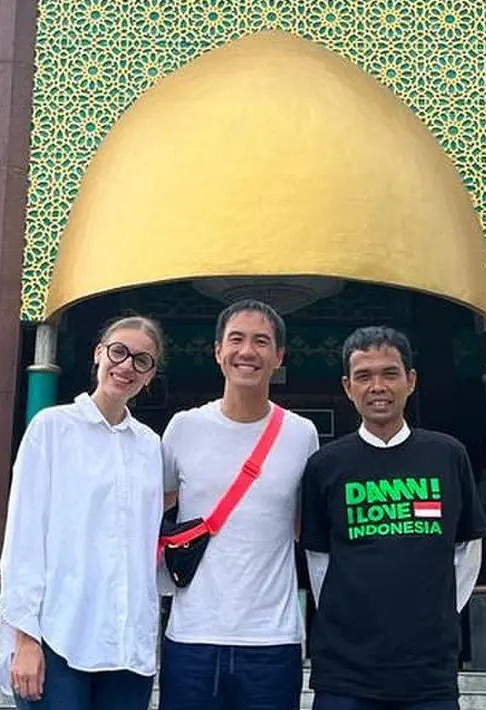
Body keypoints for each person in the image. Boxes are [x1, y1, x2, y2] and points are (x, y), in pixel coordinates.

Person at [300, 326, 486, 710]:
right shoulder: (325, 465)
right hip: (345, 672)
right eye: (364, 376)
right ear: (348, 386)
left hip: (429, 670)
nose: (378, 387)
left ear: (411, 381)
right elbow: (318, 560)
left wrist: (432, 611)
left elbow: (467, 548)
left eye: (389, 374)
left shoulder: (447, 455)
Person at [0, 315, 167, 710]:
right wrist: (24, 638)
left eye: (141, 361)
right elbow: (24, 537)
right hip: (60, 635)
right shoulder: (52, 429)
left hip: (127, 643)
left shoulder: (149, 446)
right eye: (119, 352)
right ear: (98, 354)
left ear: (150, 375)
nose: (126, 366)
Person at [158, 299, 320, 710]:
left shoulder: (301, 434)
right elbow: (151, 516)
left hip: (272, 638)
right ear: (217, 351)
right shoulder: (183, 428)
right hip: (192, 636)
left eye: (261, 341)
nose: (247, 352)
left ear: (279, 355)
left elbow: (308, 527)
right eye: (236, 339)